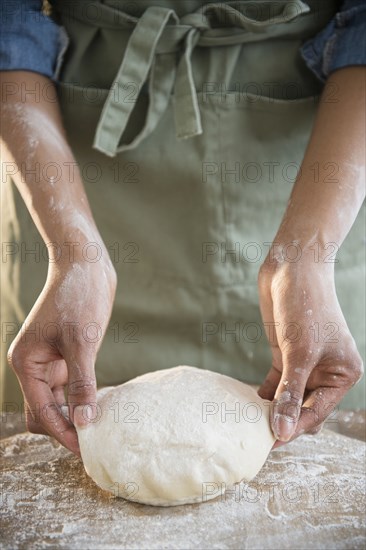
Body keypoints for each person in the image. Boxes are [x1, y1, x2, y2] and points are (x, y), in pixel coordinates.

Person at [1, 0, 365, 456]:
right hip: (72, 174)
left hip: (311, 179)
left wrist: (309, 254)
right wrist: (73, 254)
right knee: (68, 400)